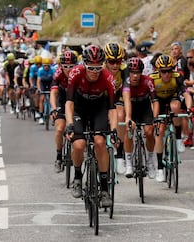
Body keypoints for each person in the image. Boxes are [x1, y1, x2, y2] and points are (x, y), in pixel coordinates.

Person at [65, 45, 117, 207]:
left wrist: (114, 130)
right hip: (79, 108)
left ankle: (103, 189)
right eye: (90, 68)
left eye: (98, 68)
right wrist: (70, 124)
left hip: (98, 108)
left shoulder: (108, 78)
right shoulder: (75, 74)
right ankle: (78, 177)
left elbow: (112, 108)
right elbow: (69, 103)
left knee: (100, 142)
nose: (94, 71)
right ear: (84, 65)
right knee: (79, 144)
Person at [150, 54, 192, 182]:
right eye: (164, 71)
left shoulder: (177, 77)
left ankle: (178, 138)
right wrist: (153, 117)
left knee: (176, 107)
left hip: (172, 99)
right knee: (160, 131)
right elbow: (151, 101)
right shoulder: (152, 79)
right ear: (158, 71)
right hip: (158, 102)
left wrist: (189, 108)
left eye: (169, 71)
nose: (167, 74)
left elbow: (186, 94)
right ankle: (159, 168)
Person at [122, 57, 157, 179]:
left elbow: (155, 101)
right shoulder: (126, 82)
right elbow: (126, 100)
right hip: (131, 106)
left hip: (144, 107)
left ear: (141, 72)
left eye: (137, 73)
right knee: (129, 130)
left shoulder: (148, 81)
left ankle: (150, 161)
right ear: (129, 72)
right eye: (132, 72)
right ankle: (129, 163)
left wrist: (155, 118)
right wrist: (129, 118)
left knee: (149, 131)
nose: (135, 76)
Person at [51, 50, 77, 173]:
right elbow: (53, 93)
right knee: (60, 129)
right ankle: (58, 156)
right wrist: (53, 108)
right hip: (62, 101)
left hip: (76, 102)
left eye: (71, 66)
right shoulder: (58, 74)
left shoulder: (79, 73)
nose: (68, 69)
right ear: (61, 66)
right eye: (65, 66)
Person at [103, 42, 127, 174]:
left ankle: (119, 154)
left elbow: (127, 91)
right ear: (106, 61)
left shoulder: (124, 71)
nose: (115, 65)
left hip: (117, 97)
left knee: (120, 115)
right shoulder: (100, 70)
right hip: (102, 97)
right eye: (112, 62)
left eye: (118, 61)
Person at [37, 57, 55, 125]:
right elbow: (38, 81)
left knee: (52, 99)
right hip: (43, 83)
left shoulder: (53, 70)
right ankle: (41, 116)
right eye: (45, 65)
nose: (46, 67)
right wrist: (39, 89)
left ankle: (53, 116)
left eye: (47, 65)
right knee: (42, 98)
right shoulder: (40, 70)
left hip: (50, 83)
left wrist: (54, 90)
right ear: (43, 65)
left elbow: (54, 81)